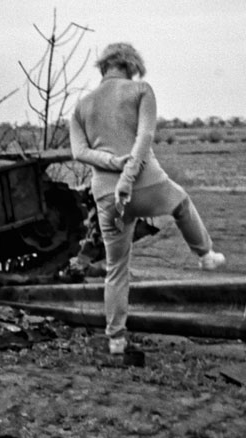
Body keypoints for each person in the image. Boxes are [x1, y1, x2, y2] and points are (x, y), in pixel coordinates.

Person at [69, 42, 226, 355]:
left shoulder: (81, 105)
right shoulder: (141, 91)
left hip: (105, 195)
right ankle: (205, 255)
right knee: (181, 203)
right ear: (131, 65)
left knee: (116, 269)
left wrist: (114, 166)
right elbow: (144, 138)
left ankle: (116, 339)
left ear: (103, 66)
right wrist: (127, 178)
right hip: (145, 183)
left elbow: (79, 153)